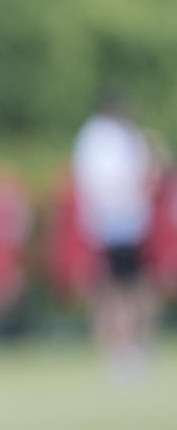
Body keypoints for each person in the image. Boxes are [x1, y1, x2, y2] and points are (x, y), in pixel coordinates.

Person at [71, 93, 159, 381]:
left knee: (127, 287)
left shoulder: (115, 138)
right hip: (116, 224)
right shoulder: (104, 139)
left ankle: (129, 346)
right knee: (119, 288)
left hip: (124, 224)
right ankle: (122, 349)